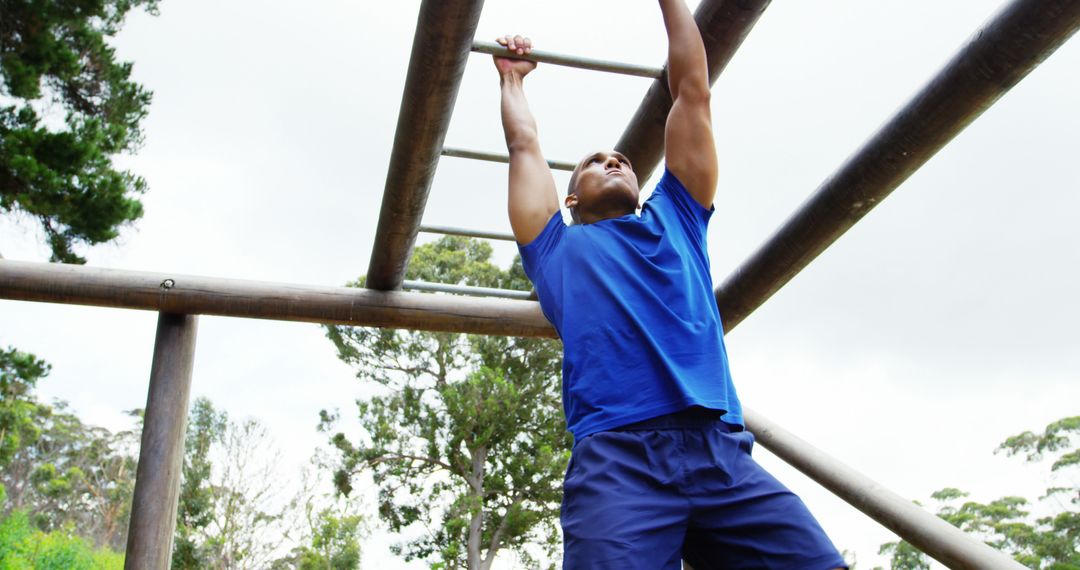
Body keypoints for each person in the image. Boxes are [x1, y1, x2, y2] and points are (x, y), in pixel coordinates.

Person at [493, 1, 848, 569]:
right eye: (594, 161)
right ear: (571, 198)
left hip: (721, 452)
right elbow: (524, 147)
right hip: (619, 460)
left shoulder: (679, 218)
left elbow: (692, 91)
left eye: (624, 159)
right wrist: (512, 80)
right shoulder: (555, 247)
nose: (615, 159)